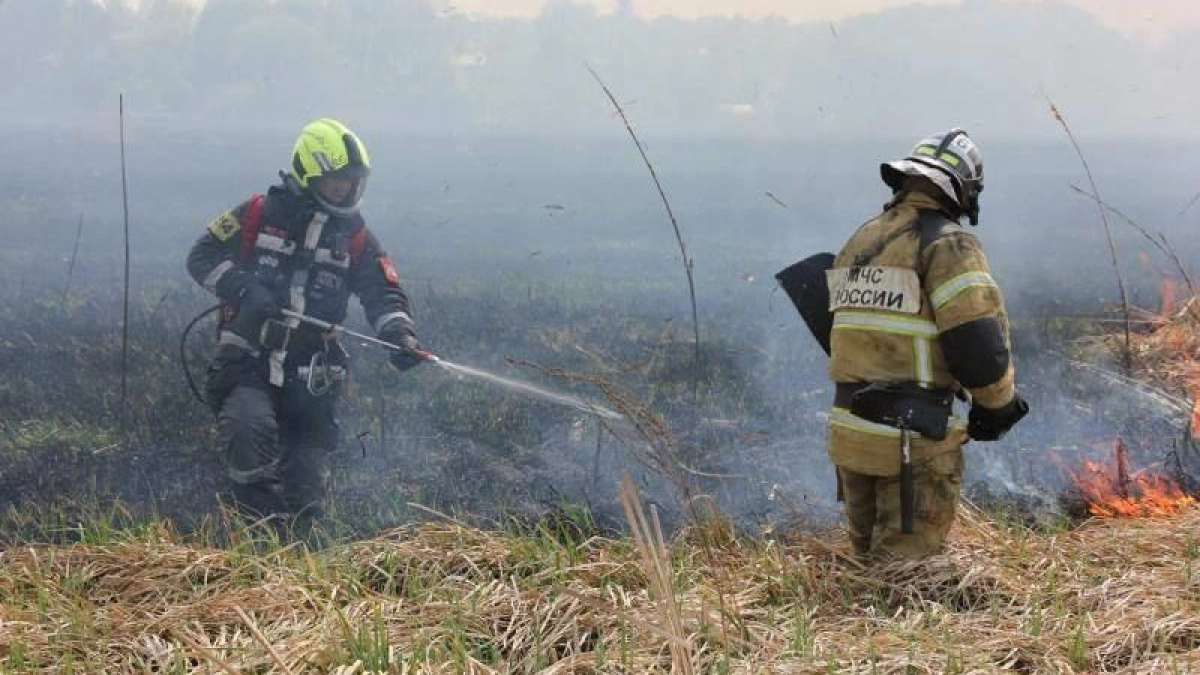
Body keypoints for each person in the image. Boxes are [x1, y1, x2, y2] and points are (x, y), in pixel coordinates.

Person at [187, 118, 424, 538]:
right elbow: (202, 257)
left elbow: (383, 293)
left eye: (353, 183)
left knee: (306, 482)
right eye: (337, 182)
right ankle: (257, 530)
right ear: (308, 172)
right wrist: (245, 289)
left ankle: (298, 554)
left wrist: (400, 336)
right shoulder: (258, 213)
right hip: (247, 359)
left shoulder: (355, 237)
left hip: (312, 374)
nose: (346, 191)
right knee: (247, 426)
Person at [825, 128, 1028, 560]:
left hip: (852, 436)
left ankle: (853, 628)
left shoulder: (861, 240)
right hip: (909, 443)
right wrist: (999, 406)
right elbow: (977, 343)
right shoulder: (947, 244)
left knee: (867, 570)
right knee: (904, 580)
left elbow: (850, 332)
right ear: (961, 188)